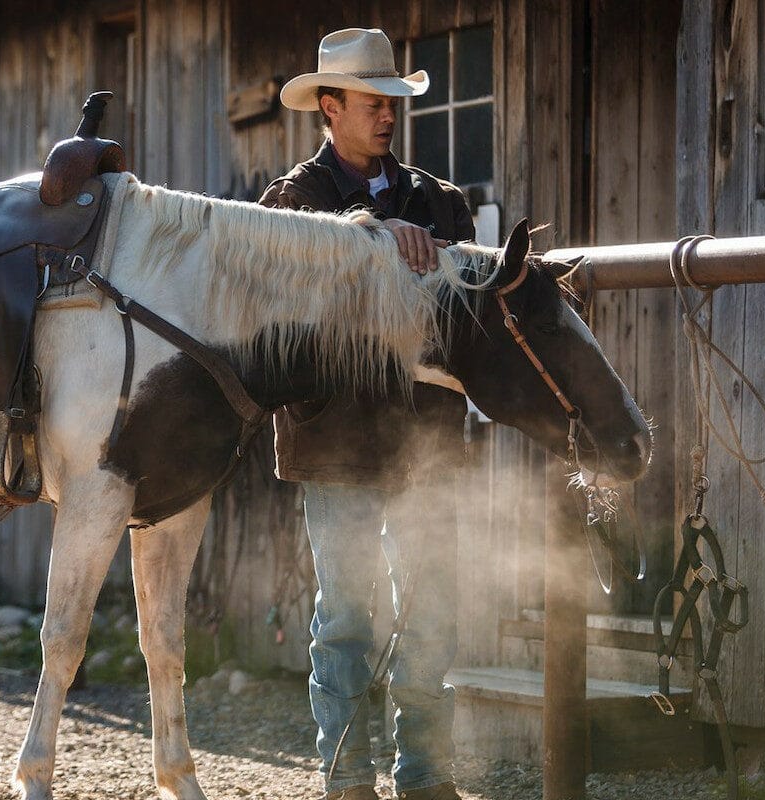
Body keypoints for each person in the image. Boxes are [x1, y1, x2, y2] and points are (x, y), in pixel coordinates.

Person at [259, 27, 473, 800]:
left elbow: (467, 319)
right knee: (346, 616)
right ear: (330, 105)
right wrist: (377, 238)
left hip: (427, 437)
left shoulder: (441, 202)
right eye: (374, 102)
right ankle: (347, 781)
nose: (388, 115)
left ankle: (424, 777)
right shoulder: (291, 203)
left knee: (431, 612)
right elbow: (283, 300)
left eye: (393, 102)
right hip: (336, 438)